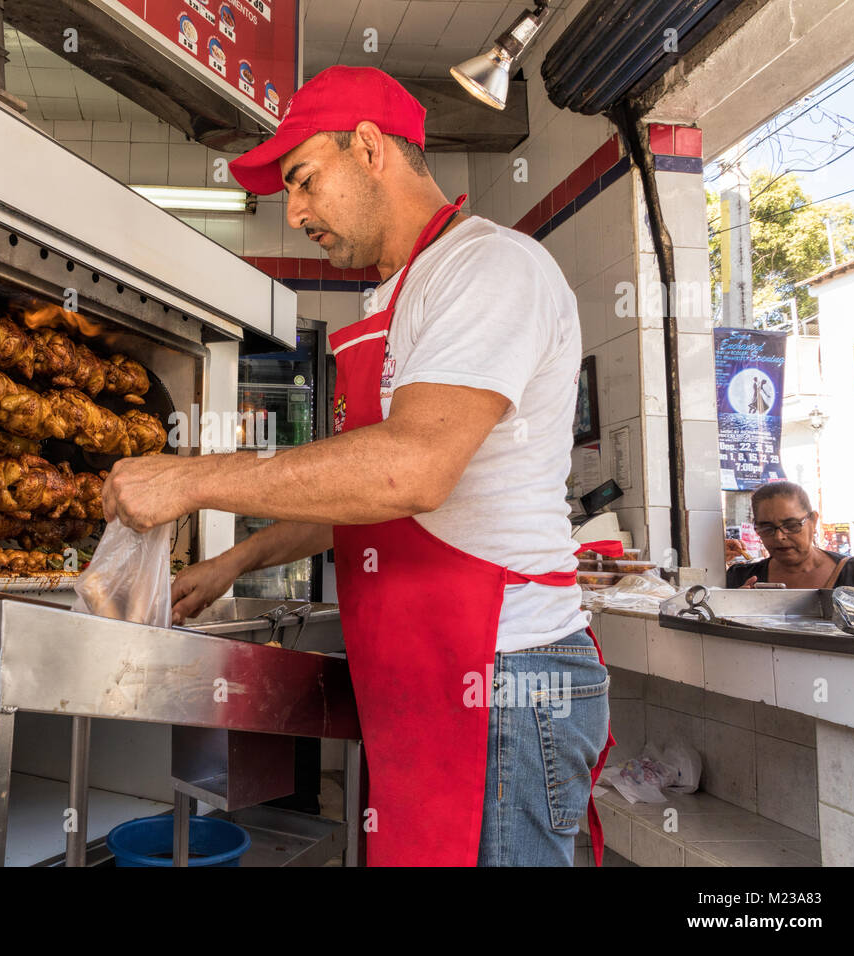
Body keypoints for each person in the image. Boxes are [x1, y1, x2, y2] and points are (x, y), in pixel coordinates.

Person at [101, 66, 612, 866]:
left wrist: (190, 477)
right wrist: (238, 558)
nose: (295, 211)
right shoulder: (391, 300)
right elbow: (360, 493)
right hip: (424, 673)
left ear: (369, 148)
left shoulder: (489, 269)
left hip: (505, 677)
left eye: (303, 180)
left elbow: (408, 472)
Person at [727, 482, 854, 588]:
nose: (779, 537)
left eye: (791, 525)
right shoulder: (740, 578)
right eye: (766, 528)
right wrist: (734, 606)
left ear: (813, 521)